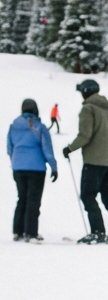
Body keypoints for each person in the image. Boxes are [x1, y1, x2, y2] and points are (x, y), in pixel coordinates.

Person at [63, 78, 108, 244]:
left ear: (86, 92)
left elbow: (85, 135)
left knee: (88, 196)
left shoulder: (88, 109)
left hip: (94, 161)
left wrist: (69, 148)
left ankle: (98, 232)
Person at [8, 98, 57, 242]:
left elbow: (9, 148)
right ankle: (31, 233)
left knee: (22, 198)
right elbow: (47, 149)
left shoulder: (13, 126)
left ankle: (18, 231)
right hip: (36, 168)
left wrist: (15, 162)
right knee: (33, 200)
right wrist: (54, 167)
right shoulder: (39, 127)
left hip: (18, 167)